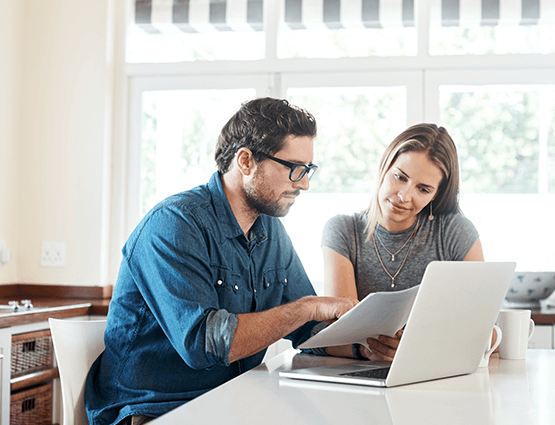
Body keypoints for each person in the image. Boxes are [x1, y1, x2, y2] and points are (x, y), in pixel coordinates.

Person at [85, 98, 364, 425]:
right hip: (158, 410)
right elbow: (204, 343)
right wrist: (307, 306)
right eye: (294, 168)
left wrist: (364, 350)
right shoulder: (174, 224)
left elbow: (308, 329)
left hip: (234, 401)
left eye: (308, 170)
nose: (303, 183)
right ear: (246, 161)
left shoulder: (270, 230)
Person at [321, 123, 484, 361]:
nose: (404, 196)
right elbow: (341, 332)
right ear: (384, 167)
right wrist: (371, 351)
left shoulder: (454, 232)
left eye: (423, 189)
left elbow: (484, 328)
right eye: (400, 177)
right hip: (364, 376)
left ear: (436, 195)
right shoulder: (343, 231)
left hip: (434, 372)